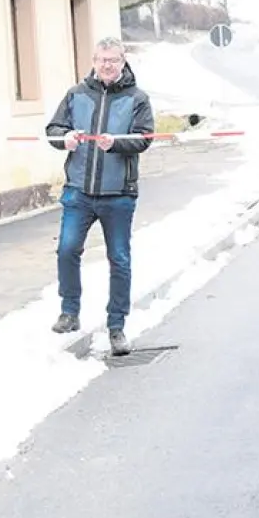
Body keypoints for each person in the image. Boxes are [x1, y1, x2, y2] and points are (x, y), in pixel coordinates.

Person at [45, 36, 155, 356]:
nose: (107, 65)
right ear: (94, 61)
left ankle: (116, 326)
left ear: (123, 61)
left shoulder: (137, 98)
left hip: (118, 194)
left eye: (113, 60)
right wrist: (64, 138)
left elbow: (145, 137)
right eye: (102, 59)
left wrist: (116, 143)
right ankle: (69, 311)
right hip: (78, 191)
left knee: (119, 259)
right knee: (67, 249)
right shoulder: (76, 94)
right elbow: (53, 129)